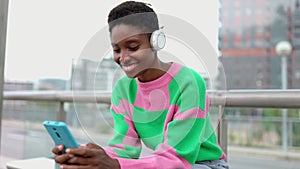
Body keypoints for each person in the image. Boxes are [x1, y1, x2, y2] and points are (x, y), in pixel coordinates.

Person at [52, 1, 229, 169]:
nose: (123, 57)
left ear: (156, 41)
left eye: (133, 46)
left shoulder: (189, 82)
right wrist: (89, 156)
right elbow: (124, 149)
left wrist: (114, 165)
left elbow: (177, 161)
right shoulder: (123, 89)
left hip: (206, 164)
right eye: (116, 49)